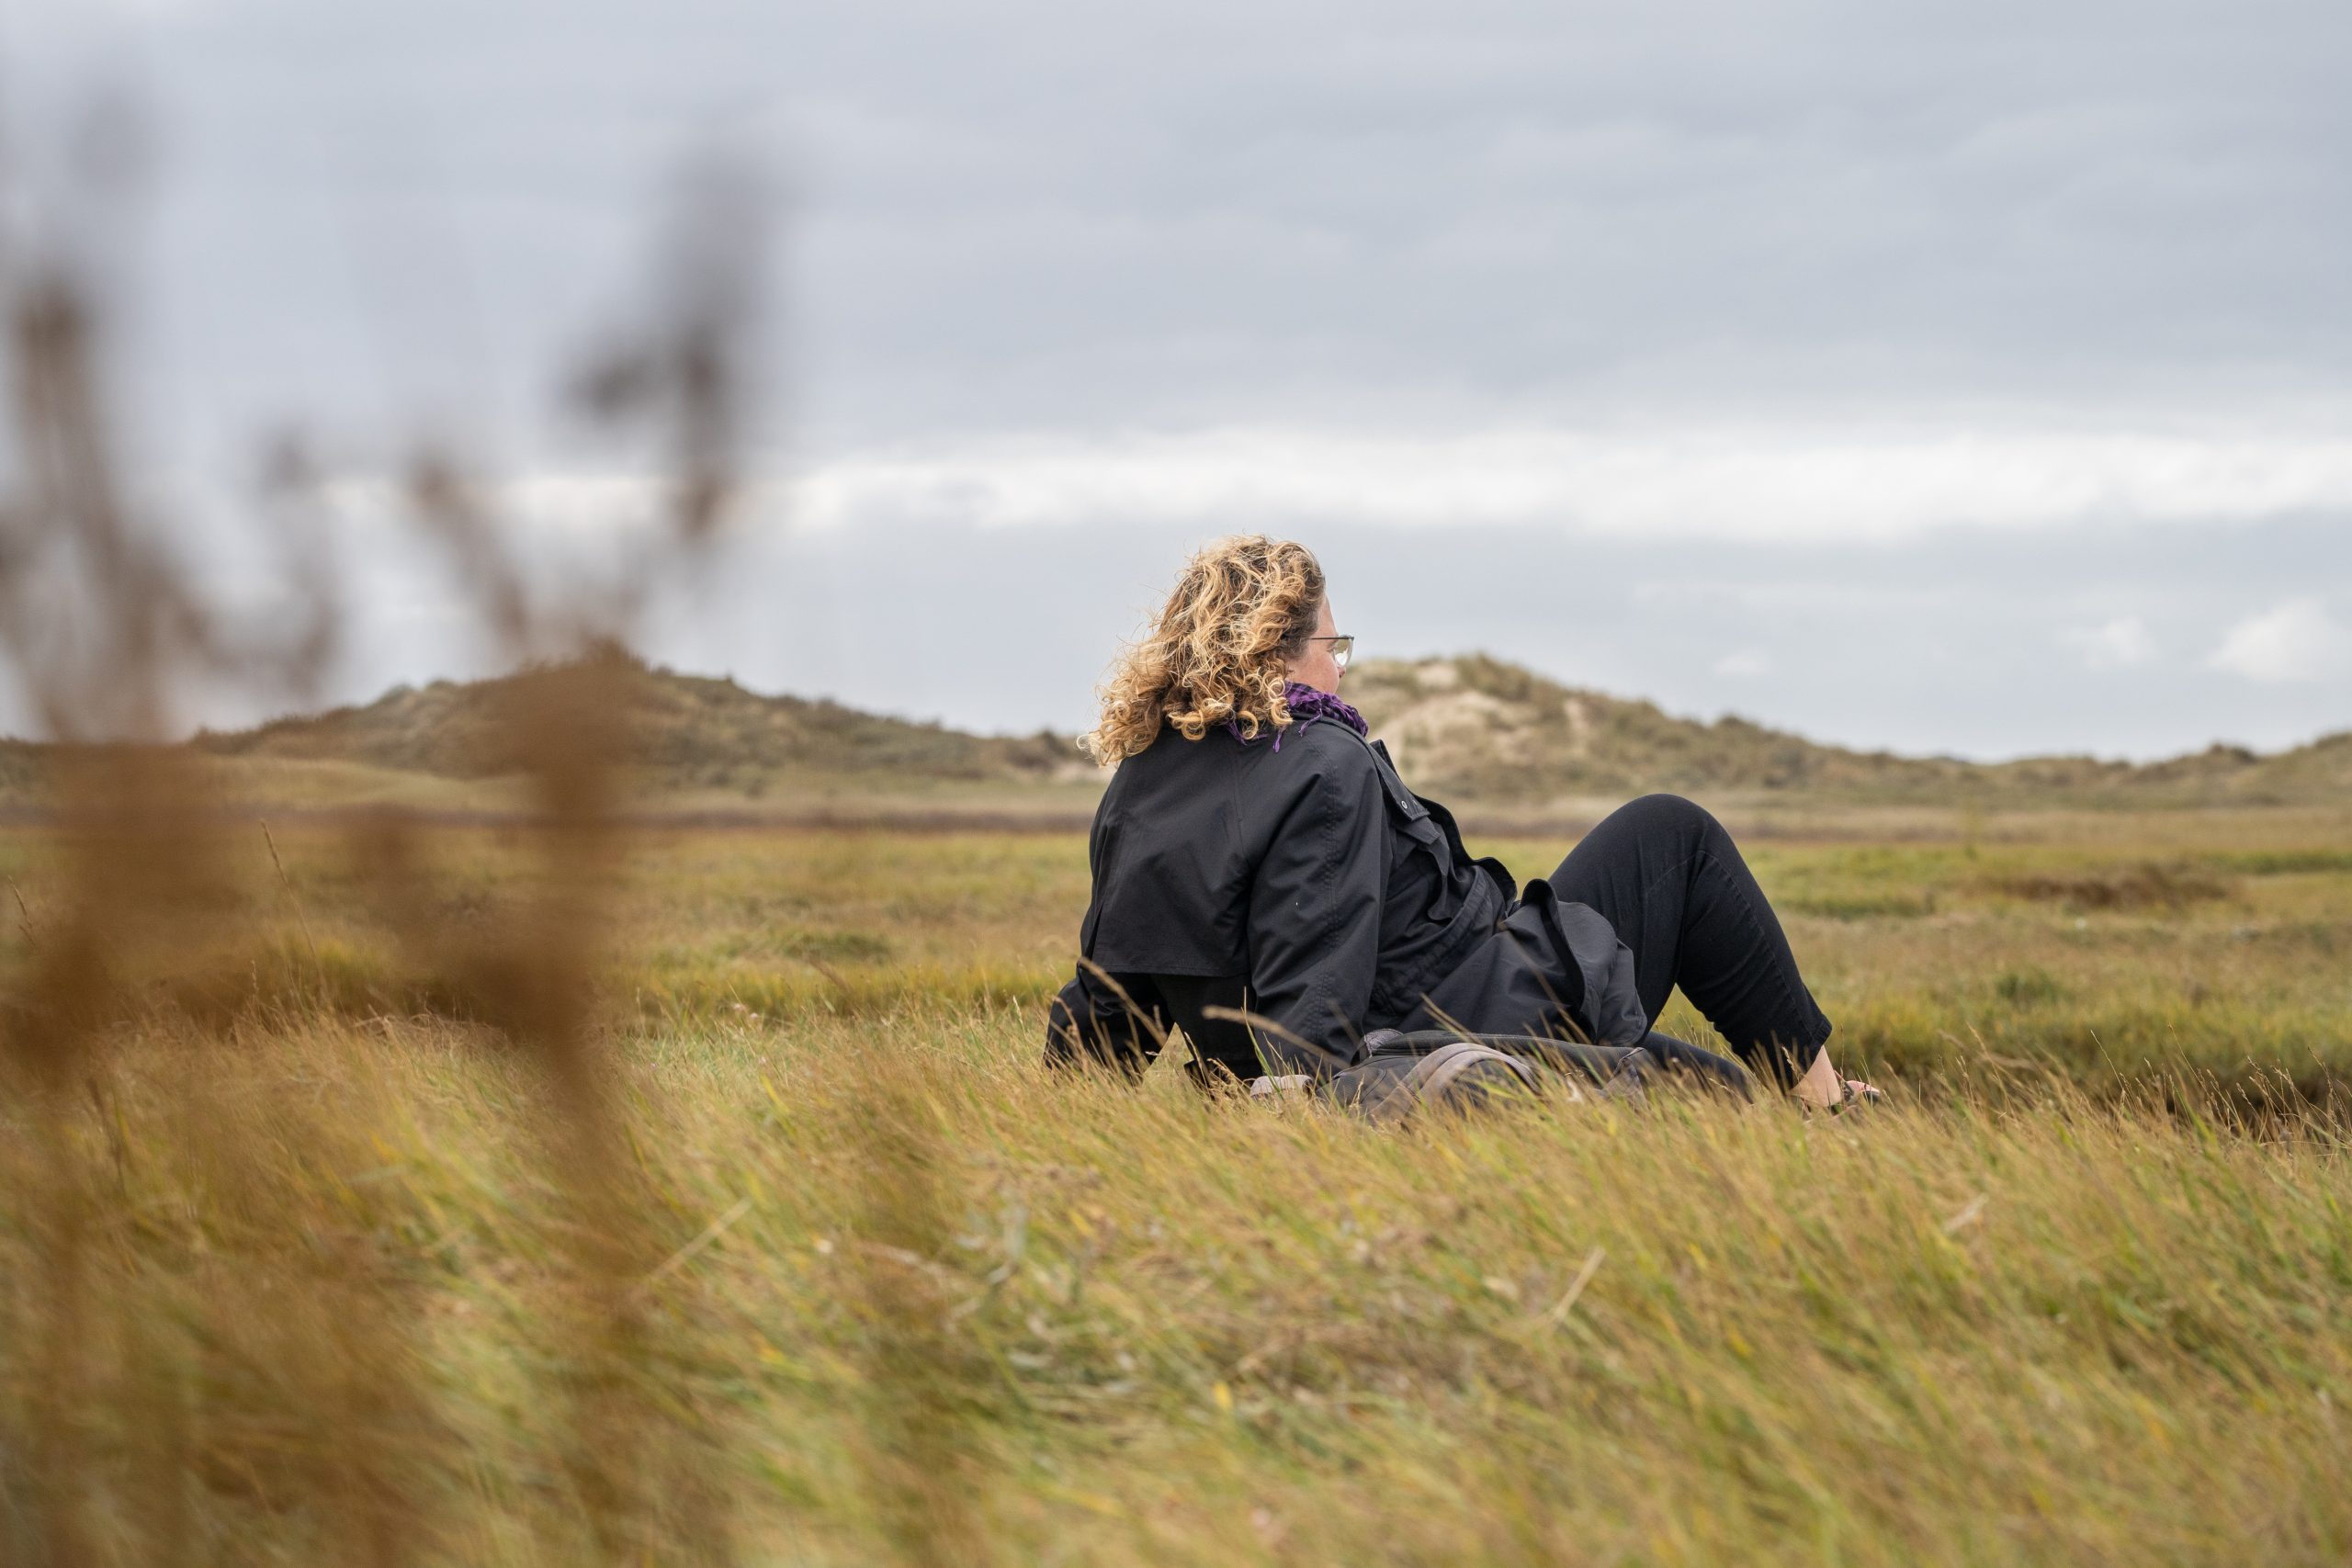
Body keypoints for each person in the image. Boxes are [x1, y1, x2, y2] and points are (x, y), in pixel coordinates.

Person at [1045, 536, 1877, 1111]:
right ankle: (1830, 1107)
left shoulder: (1139, 786)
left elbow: (1111, 1004)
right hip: (1471, 1029)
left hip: (1467, 985)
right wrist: (1296, 1102)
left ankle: (1825, 1098)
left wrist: (1069, 1109)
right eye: (1334, 644)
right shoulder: (1322, 762)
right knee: (1676, 838)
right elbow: (1313, 1008)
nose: (1340, 667)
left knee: (1659, 834)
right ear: (1277, 649)